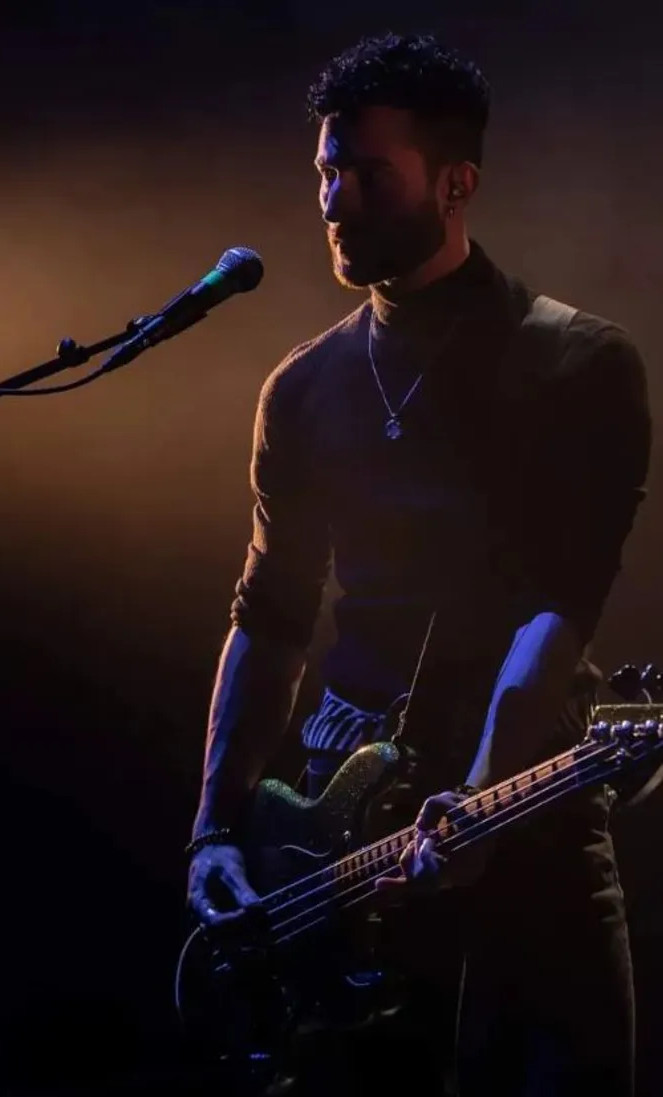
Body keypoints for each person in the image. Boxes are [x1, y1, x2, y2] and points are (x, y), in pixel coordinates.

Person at [185, 31, 652, 1097]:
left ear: (455, 183)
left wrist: (480, 797)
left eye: (367, 173)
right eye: (324, 169)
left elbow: (552, 608)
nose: (333, 199)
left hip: (524, 808)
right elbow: (267, 615)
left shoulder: (575, 361)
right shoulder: (301, 387)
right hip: (338, 830)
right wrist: (213, 828)